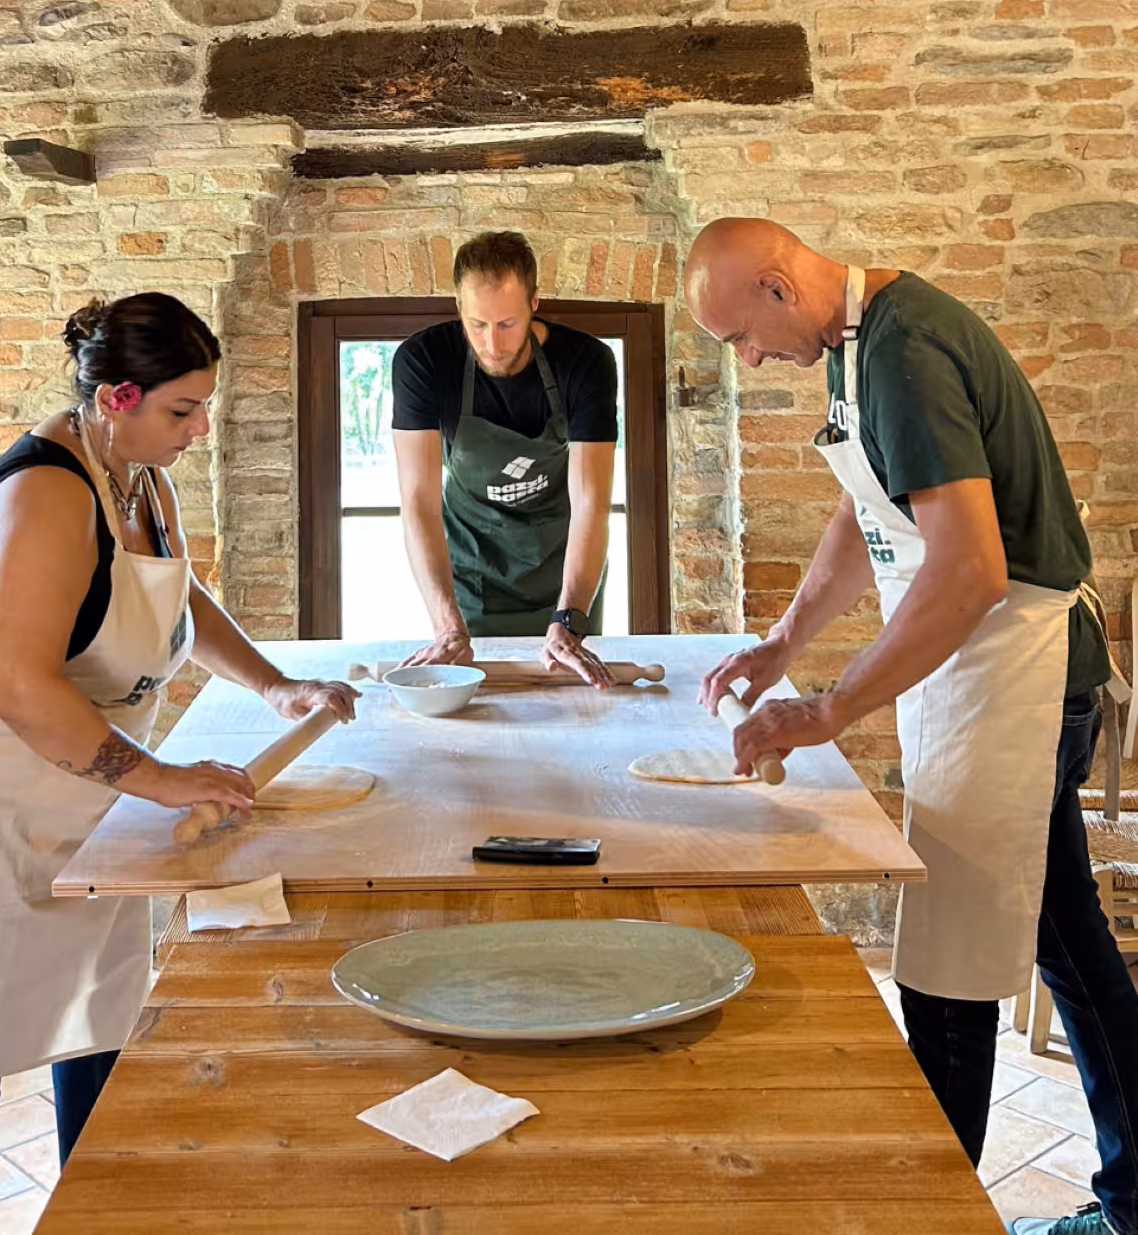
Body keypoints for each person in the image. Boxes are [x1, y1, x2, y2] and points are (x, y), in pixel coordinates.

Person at [0, 292, 357, 1235]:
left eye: (204, 407)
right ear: (116, 398)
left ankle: (101, 1205)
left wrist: (276, 686)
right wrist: (159, 779)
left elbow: (177, 597)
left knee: (98, 988)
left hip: (72, 759)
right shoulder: (46, 494)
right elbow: (18, 687)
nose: (199, 430)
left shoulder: (138, 476)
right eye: (183, 410)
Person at [686, 218, 1138, 1235]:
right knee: (1067, 947)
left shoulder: (902, 350)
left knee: (950, 958)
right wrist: (781, 641)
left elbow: (970, 569)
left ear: (775, 285)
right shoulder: (856, 346)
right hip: (988, 674)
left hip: (1017, 674)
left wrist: (829, 707)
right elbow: (868, 513)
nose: (748, 359)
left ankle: (930, 1210)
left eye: (740, 337)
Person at [391, 230, 618, 686]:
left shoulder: (586, 362)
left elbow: (591, 502)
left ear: (535, 303)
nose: (492, 343)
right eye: (477, 324)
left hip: (562, 565)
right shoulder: (422, 361)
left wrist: (570, 616)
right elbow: (419, 503)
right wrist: (447, 624)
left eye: (508, 324)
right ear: (458, 306)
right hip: (473, 570)